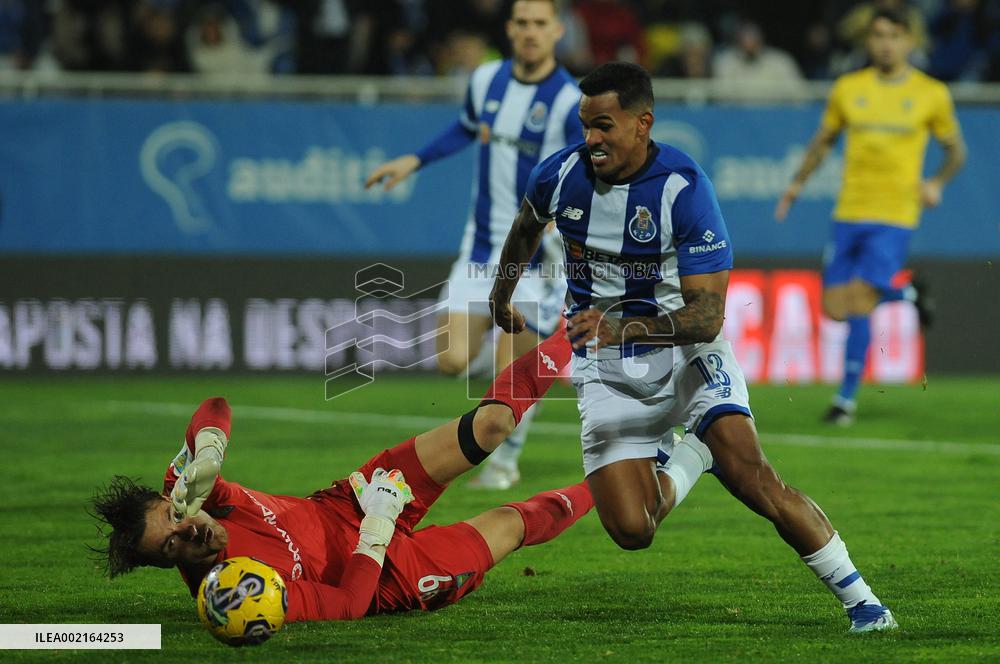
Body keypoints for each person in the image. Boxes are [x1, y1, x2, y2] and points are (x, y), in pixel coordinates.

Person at [490, 61, 898, 633]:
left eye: (604, 126)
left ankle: (865, 604)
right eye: (585, 126)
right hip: (605, 367)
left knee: (755, 479)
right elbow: (525, 228)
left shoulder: (682, 188)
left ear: (642, 123)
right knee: (632, 529)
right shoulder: (559, 175)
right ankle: (694, 454)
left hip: (685, 354)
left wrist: (621, 329)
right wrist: (500, 293)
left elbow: (706, 318)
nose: (592, 139)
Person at [90, 333, 593, 622]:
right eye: (171, 547)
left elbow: (214, 407)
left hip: (349, 501)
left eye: (172, 518)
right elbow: (350, 605)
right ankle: (618, 473)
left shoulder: (191, 493)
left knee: (490, 425)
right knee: (512, 523)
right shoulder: (240, 595)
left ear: (169, 499)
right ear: (171, 565)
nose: (186, 531)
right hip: (384, 574)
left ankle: (576, 328)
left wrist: (208, 450)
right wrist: (379, 526)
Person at [365, 0, 583, 489]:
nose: (530, 31)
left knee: (511, 377)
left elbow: (584, 164)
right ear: (509, 29)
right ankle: (520, 360)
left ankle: (505, 464)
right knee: (451, 360)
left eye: (540, 23)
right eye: (522, 23)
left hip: (536, 256)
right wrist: (415, 160)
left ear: (557, 31)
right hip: (482, 248)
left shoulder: (570, 101)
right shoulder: (485, 80)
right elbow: (465, 126)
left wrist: (562, 216)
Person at [776, 8, 966, 426]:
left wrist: (936, 183)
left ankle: (844, 400)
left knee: (860, 301)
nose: (885, 44)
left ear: (909, 41)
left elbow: (956, 152)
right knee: (835, 307)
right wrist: (796, 184)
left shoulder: (931, 93)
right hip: (849, 211)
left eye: (894, 36)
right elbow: (823, 141)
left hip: (895, 215)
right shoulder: (849, 88)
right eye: (878, 35)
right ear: (868, 40)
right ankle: (908, 295)